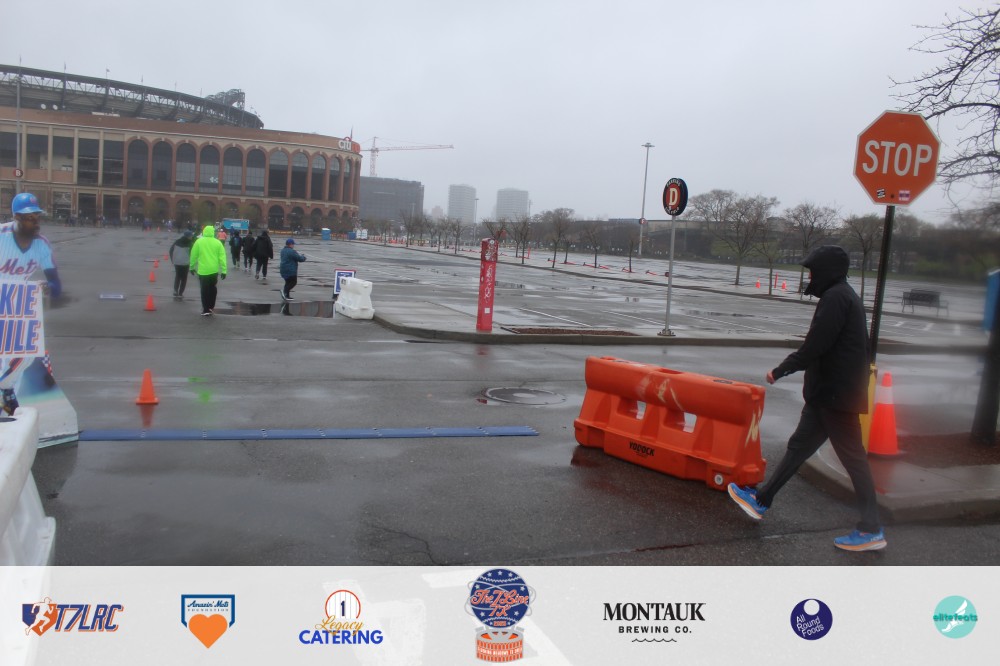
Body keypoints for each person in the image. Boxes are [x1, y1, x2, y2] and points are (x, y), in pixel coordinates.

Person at [727, 245, 885, 552]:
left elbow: (817, 344)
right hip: (829, 394)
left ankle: (871, 528)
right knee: (798, 447)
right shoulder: (842, 295)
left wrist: (782, 369)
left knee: (854, 461)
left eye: (812, 272)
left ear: (825, 272)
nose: (809, 278)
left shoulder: (836, 298)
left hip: (835, 396)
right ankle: (761, 500)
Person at [0, 192, 63, 415]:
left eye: (37, 217)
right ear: (16, 217)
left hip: (19, 304)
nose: (35, 222)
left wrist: (48, 287)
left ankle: (6, 389)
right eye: (29, 218)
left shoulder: (41, 245)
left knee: (26, 354)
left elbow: (56, 284)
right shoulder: (1, 236)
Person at [188, 225, 228, 316]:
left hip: (203, 271)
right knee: (212, 288)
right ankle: (211, 306)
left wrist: (192, 267)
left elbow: (193, 255)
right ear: (213, 232)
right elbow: (222, 257)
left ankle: (206, 309)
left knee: (204, 290)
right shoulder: (218, 243)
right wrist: (224, 270)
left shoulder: (199, 242)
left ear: (204, 232)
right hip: (214, 270)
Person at [169, 229, 194, 298]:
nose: (192, 237)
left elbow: (171, 250)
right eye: (191, 236)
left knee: (177, 276)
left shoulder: (177, 241)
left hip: (177, 262)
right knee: (184, 278)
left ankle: (175, 290)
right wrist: (192, 263)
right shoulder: (190, 244)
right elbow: (193, 254)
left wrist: (172, 259)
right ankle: (180, 293)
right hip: (185, 263)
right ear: (188, 236)